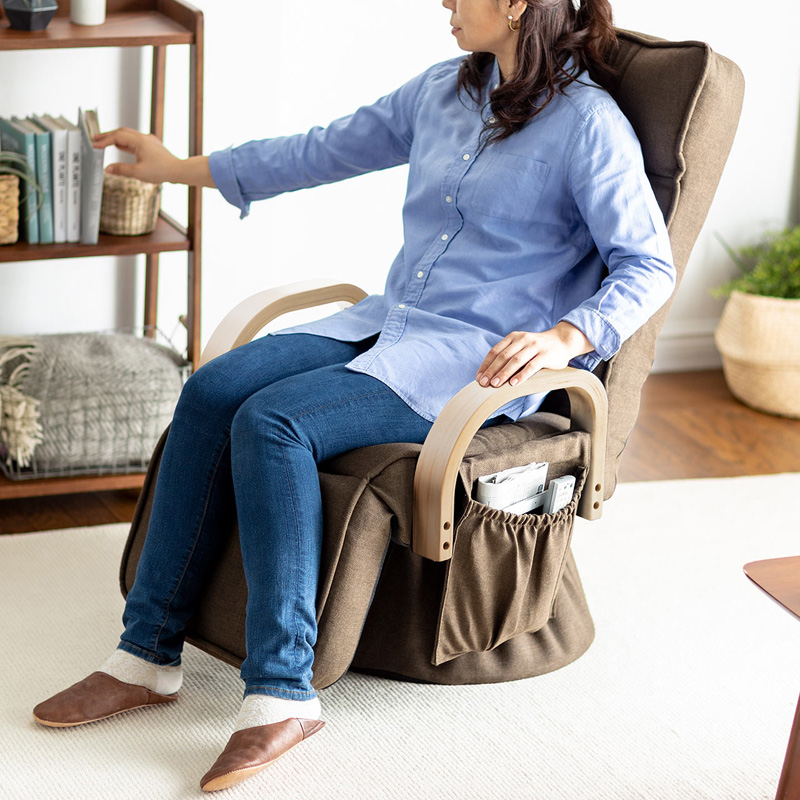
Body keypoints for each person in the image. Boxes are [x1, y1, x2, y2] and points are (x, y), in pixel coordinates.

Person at [32, 0, 676, 792]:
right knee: (211, 389)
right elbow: (318, 150)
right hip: (388, 323)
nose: (444, 3)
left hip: (470, 366)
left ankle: (280, 694)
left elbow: (649, 265)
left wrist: (567, 336)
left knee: (274, 423)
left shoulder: (587, 125)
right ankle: (145, 655)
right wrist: (175, 168)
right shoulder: (444, 90)